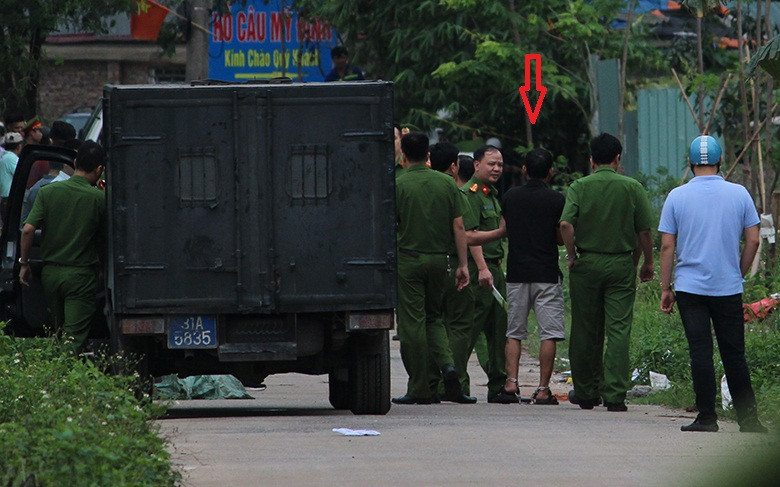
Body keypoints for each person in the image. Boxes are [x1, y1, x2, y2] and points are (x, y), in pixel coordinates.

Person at [659, 135, 766, 433]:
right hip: (727, 287)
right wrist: (737, 272)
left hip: (690, 289)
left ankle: (707, 417)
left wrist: (666, 288)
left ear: (690, 162)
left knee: (700, 351)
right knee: (734, 353)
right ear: (720, 161)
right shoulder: (739, 194)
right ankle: (749, 420)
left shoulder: (676, 196)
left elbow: (667, 246)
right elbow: (753, 240)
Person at [560, 133, 654, 412]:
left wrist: (572, 255)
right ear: (617, 159)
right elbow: (644, 231)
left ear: (591, 161)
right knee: (618, 330)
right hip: (621, 265)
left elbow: (565, 225)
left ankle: (586, 392)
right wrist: (646, 262)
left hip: (587, 265)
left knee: (584, 329)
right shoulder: (632, 187)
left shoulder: (579, 186)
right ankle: (614, 395)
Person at [393, 132, 470, 405]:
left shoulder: (398, 184)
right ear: (428, 155)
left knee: (412, 323)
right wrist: (463, 264)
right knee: (434, 318)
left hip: (409, 260)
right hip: (440, 260)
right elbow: (459, 226)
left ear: (403, 156)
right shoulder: (446, 183)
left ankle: (420, 387)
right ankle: (448, 365)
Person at [19, 141, 107, 356]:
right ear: (99, 169)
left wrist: (24, 263)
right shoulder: (99, 198)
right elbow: (104, 239)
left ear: (75, 163)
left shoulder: (48, 192)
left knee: (58, 332)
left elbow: (28, 230)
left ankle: (55, 367)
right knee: (73, 338)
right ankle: (63, 371)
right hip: (80, 277)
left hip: (50, 275)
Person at [501, 148, 566, 405]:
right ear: (551, 171)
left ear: (525, 170)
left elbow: (505, 228)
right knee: (548, 333)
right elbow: (560, 236)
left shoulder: (510, 196)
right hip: (546, 273)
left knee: (514, 332)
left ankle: (510, 384)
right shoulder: (557, 200)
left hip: (517, 272)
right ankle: (542, 389)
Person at [429, 142, 479, 403]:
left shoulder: (411, 186)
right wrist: (464, 265)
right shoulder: (455, 191)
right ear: (454, 166)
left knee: (429, 321)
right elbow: (464, 230)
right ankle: (452, 381)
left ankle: (427, 383)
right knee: (459, 324)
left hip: (421, 263)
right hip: (450, 263)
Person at [460, 144, 509, 403]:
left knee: (498, 330)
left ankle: (499, 385)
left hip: (495, 268)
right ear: (476, 164)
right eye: (491, 164)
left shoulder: (491, 194)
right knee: (470, 328)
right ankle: (456, 383)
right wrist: (481, 269)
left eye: (500, 164)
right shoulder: (470, 195)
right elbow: (470, 236)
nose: (496, 169)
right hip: (480, 269)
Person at [0, 132, 24, 218]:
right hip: (10, 199)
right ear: (19, 146)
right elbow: (22, 175)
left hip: (5, 199)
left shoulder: (5, 157)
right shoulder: (12, 158)